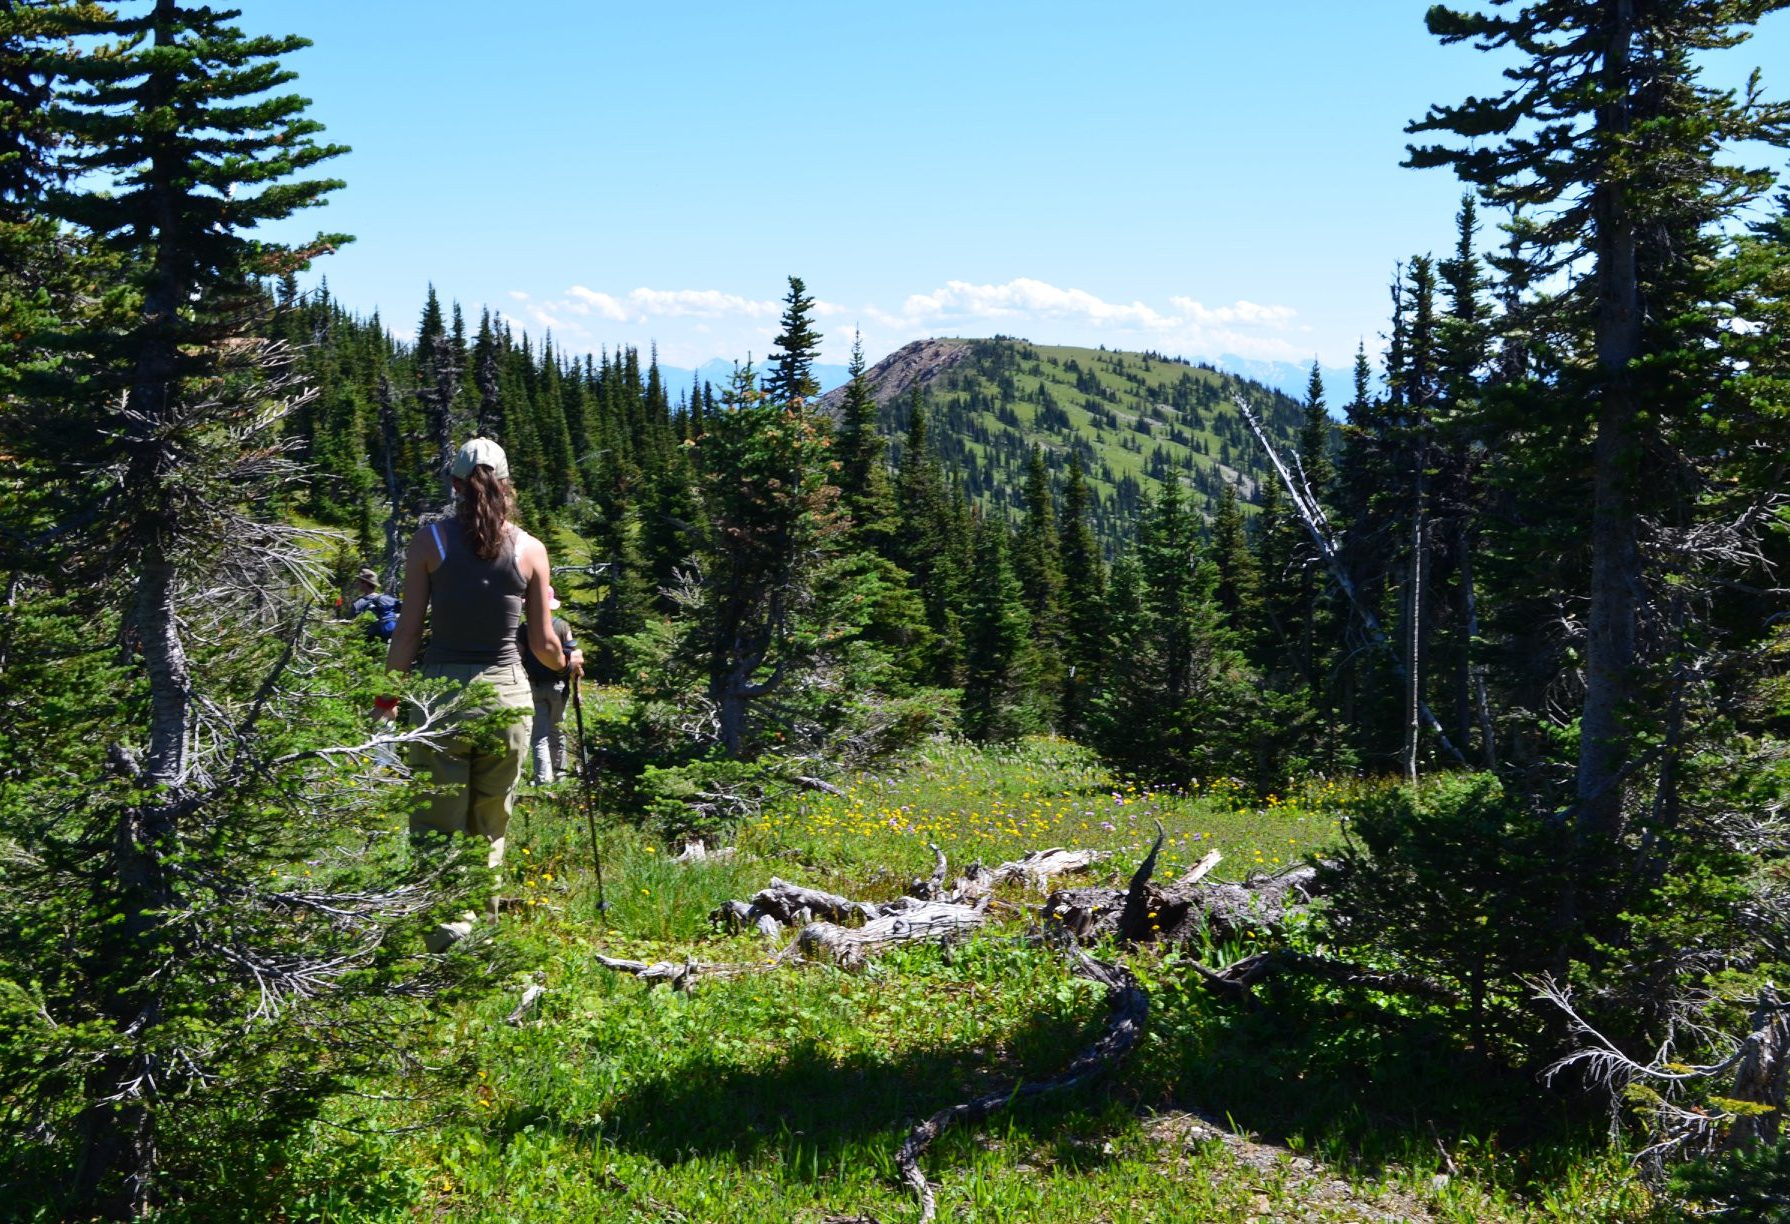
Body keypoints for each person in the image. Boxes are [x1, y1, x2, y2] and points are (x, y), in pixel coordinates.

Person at [377, 437, 564, 949]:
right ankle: (476, 928)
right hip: (506, 697)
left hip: (438, 699)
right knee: (490, 817)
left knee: (437, 817)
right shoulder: (530, 549)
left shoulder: (429, 543)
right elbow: (542, 643)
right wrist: (569, 663)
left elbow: (409, 633)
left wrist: (387, 698)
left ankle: (440, 931)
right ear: (507, 485)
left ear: (456, 485)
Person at [520, 586, 583, 784]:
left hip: (535, 686)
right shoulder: (562, 626)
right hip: (559, 685)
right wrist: (577, 689)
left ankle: (542, 778)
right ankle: (560, 774)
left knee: (539, 735)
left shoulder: (523, 629)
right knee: (557, 731)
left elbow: (519, 658)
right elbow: (573, 658)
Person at [349, 567, 401, 641]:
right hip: (391, 643)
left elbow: (351, 627)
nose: (357, 583)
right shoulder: (388, 599)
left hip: (369, 645)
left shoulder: (359, 604)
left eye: (359, 581)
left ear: (365, 583)